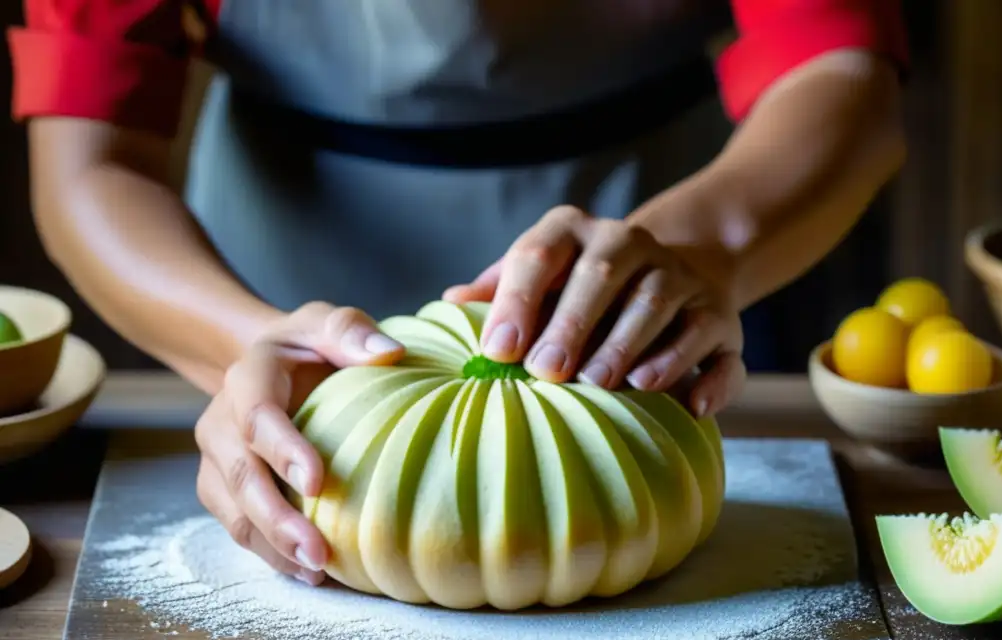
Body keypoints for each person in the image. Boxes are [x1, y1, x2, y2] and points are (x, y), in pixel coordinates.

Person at [8, 1, 909, 586]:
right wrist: (248, 341)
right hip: (277, 243)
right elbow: (90, 162)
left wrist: (703, 245)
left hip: (657, 244)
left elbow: (842, 70)